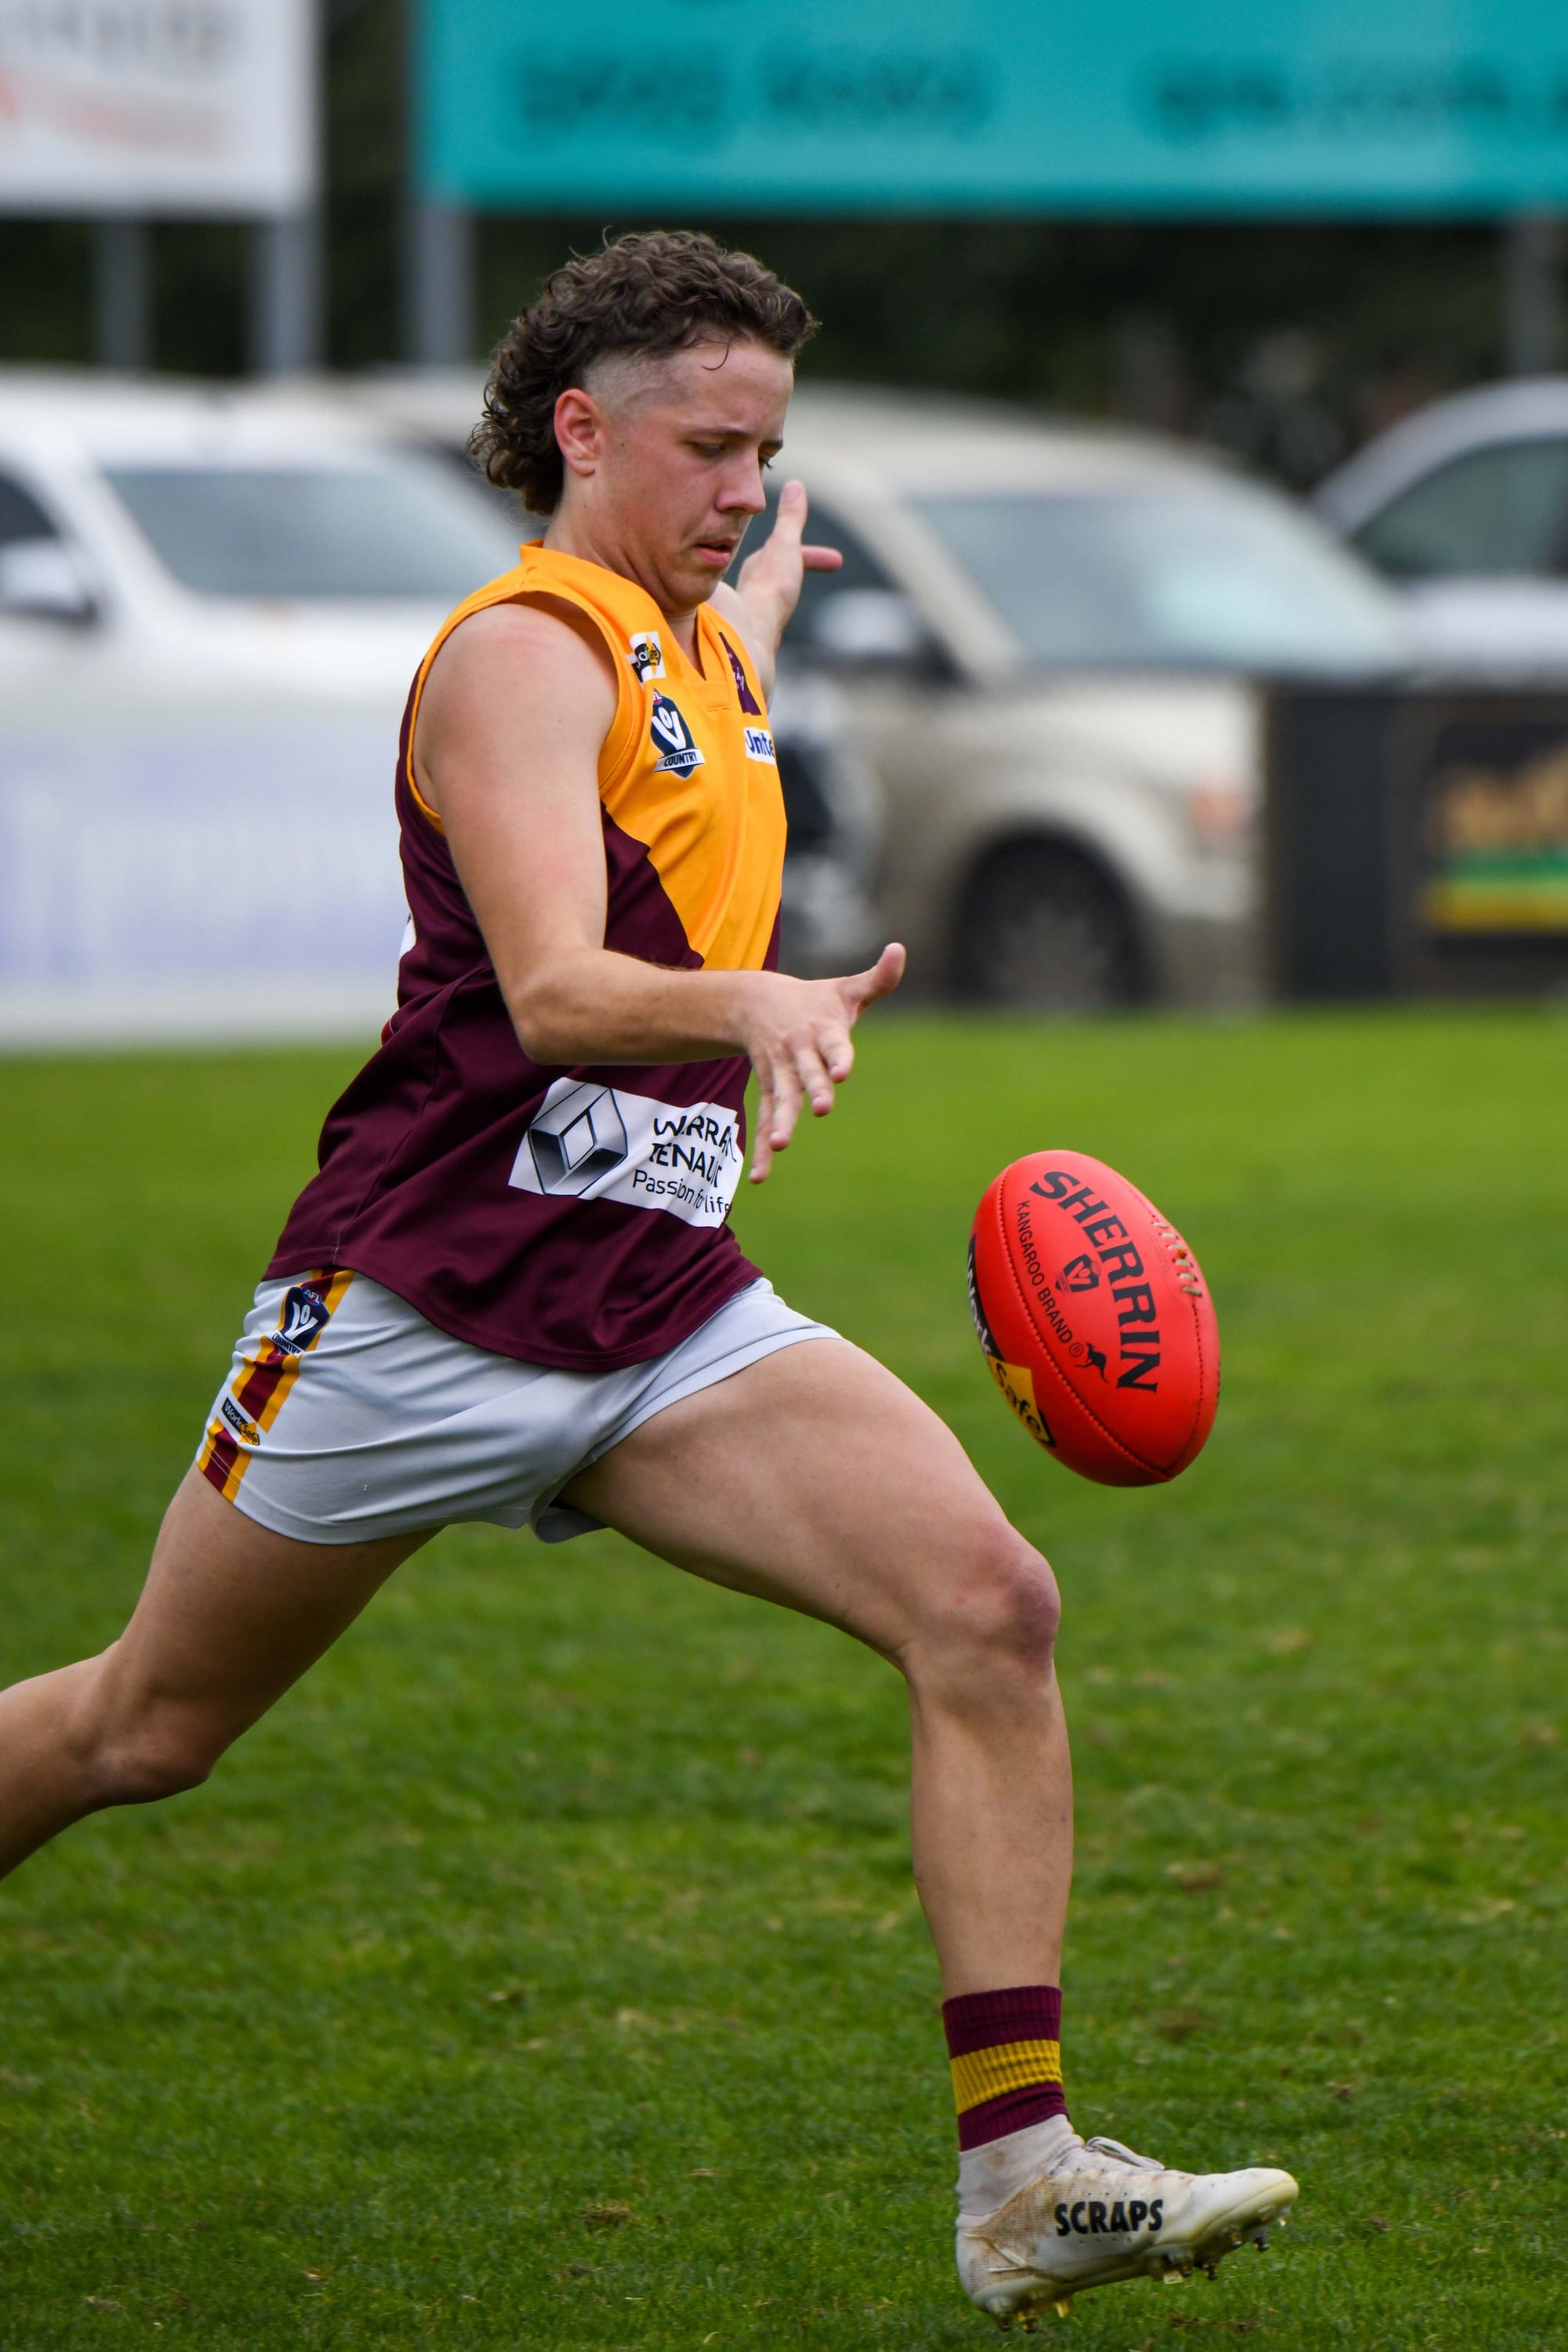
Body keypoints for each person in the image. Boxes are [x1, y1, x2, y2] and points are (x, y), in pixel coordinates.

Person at [0, 231, 1294, 2326]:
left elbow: (717, 690)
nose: (747, 493)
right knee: (146, 1728)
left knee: (987, 1608)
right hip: (417, 1307)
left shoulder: (701, 631)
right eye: (712, 449)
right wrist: (759, 1004)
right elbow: (556, 989)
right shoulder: (526, 653)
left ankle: (1026, 2177)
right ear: (580, 430)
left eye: (771, 453)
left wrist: (758, 600)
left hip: (653, 1306)